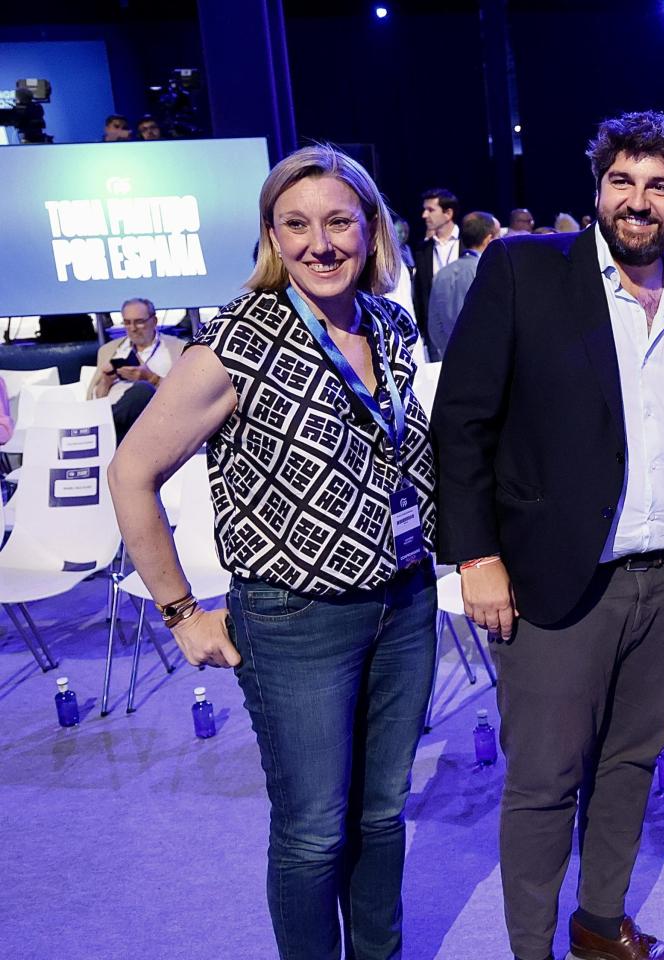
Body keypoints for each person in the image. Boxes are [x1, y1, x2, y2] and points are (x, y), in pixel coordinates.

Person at [107, 144, 437, 959]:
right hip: (297, 621)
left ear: (370, 229)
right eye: (296, 225)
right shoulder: (238, 340)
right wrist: (181, 611)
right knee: (314, 831)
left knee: (382, 812)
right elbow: (131, 472)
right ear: (271, 236)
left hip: (405, 601)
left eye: (337, 222)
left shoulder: (390, 324)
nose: (319, 244)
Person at [432, 110, 664, 960]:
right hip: (551, 575)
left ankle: (602, 922)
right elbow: (462, 422)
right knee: (542, 782)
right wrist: (477, 557)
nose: (638, 202)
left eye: (659, 187)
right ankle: (532, 948)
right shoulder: (525, 269)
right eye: (622, 182)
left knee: (632, 762)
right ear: (599, 189)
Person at [89, 297, 187, 438]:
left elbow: (186, 394)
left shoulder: (177, 348)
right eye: (127, 323)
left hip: (157, 420)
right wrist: (106, 382)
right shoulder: (108, 350)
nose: (133, 329)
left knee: (142, 390)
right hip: (113, 416)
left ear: (154, 321)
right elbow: (94, 402)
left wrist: (152, 379)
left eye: (139, 322)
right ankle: (107, 430)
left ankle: (105, 432)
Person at [426, 210, 500, 358]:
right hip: (484, 362)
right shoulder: (489, 272)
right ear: (489, 239)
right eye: (499, 237)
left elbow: (433, 325)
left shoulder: (441, 274)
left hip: (448, 361)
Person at [414, 187, 460, 329]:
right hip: (435, 330)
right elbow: (420, 294)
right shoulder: (422, 250)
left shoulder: (467, 243)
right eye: (424, 209)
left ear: (448, 213)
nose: (424, 215)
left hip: (467, 324)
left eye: (431, 210)